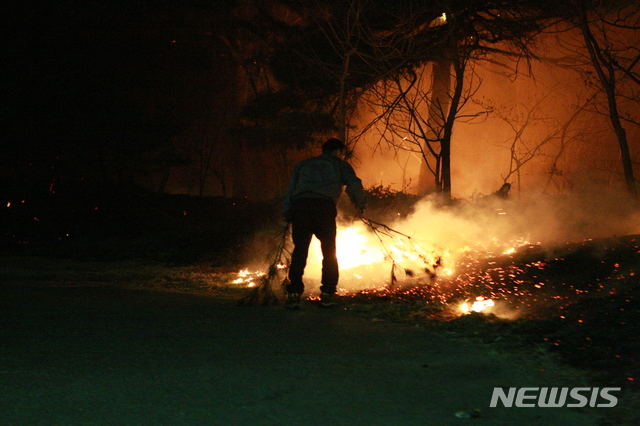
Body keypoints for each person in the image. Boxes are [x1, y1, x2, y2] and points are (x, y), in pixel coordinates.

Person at [282, 138, 367, 309]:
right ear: (338, 151)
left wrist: (287, 212)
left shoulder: (303, 165)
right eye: (342, 153)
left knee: (299, 251)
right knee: (329, 252)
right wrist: (360, 204)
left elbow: (291, 189)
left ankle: (293, 294)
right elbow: (353, 184)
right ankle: (327, 294)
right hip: (323, 208)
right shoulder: (339, 165)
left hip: (300, 207)